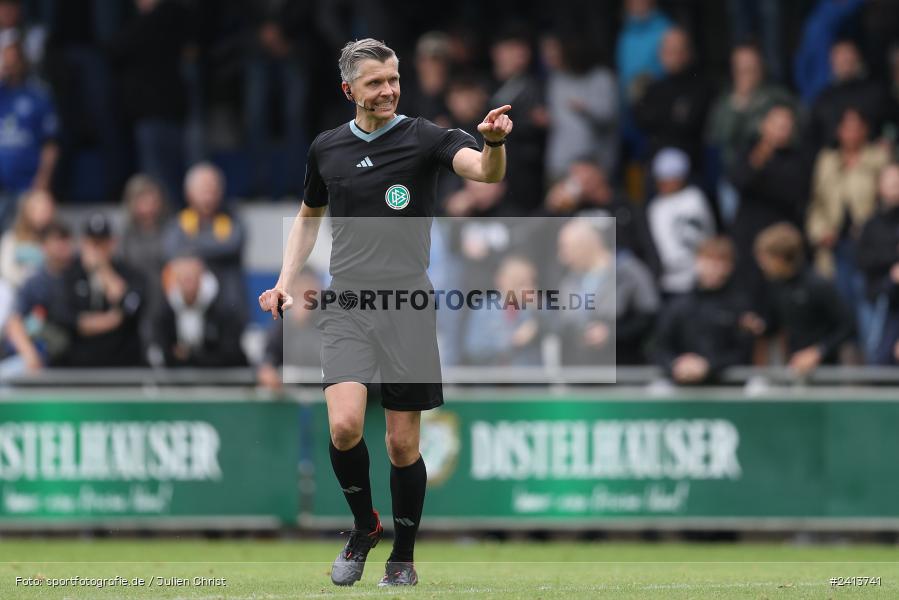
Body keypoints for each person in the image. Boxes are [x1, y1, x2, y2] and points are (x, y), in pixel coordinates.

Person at [258, 39, 513, 587]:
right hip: (347, 300)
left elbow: (484, 173)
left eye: (394, 79)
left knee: (402, 443)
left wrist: (492, 144)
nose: (389, 89)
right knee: (346, 425)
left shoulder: (424, 136)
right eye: (376, 82)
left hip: (408, 305)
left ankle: (404, 556)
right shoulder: (326, 148)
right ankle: (363, 526)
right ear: (349, 90)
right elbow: (308, 216)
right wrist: (283, 282)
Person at [805, 108, 890, 341]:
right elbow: (816, 202)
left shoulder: (878, 158)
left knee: (867, 306)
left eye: (856, 126)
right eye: (846, 127)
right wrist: (820, 231)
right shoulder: (826, 160)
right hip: (833, 246)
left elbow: (887, 197)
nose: (851, 132)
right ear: (839, 131)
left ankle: (870, 367)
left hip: (867, 245)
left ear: (865, 130)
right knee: (838, 308)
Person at [707, 43, 795, 225]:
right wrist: (740, 104)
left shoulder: (777, 97)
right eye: (741, 67)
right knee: (737, 228)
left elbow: (792, 129)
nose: (746, 72)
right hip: (735, 177)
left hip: (774, 175)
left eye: (751, 66)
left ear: (761, 67)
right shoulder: (726, 102)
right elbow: (719, 136)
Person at [752, 222, 854, 376]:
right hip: (794, 369)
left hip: (825, 373)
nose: (762, 265)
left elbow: (848, 325)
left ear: (780, 258)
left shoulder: (818, 285)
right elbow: (774, 324)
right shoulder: (775, 286)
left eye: (765, 259)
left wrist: (819, 351)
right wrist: (759, 326)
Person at [556, 219, 659, 366]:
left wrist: (612, 333)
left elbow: (648, 316)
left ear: (587, 245)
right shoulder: (569, 281)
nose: (562, 257)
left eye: (566, 248)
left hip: (626, 368)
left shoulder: (628, 271)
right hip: (584, 372)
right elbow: (565, 324)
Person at [654, 236, 754, 384]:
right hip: (682, 390)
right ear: (697, 261)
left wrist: (709, 366)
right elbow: (658, 347)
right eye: (708, 260)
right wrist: (676, 364)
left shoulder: (740, 305)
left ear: (730, 266)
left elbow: (744, 352)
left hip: (727, 391)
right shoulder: (678, 305)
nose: (714, 268)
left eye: (720, 262)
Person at [543, 159, 659, 276]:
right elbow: (539, 236)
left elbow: (649, 250)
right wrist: (551, 207)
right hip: (588, 284)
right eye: (574, 176)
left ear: (600, 174)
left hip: (624, 280)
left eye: (584, 173)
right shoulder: (575, 212)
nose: (579, 180)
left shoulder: (626, 206)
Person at [163, 162, 247, 320]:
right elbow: (171, 251)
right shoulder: (179, 221)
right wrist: (212, 245)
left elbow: (232, 245)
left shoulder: (232, 218)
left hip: (229, 307)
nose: (209, 193)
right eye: (203, 189)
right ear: (189, 192)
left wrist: (190, 246)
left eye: (213, 188)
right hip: (191, 307)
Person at [63, 213, 145, 367]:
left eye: (103, 243)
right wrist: (112, 320)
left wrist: (104, 270)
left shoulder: (128, 273)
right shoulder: (70, 274)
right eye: (93, 243)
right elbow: (67, 319)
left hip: (122, 362)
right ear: (83, 244)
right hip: (79, 365)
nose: (98, 250)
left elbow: (131, 308)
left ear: (112, 243)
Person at [633, 28, 712, 170]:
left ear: (688, 53)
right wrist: (671, 115)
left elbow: (688, 124)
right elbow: (641, 120)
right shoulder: (653, 88)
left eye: (677, 50)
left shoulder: (702, 87)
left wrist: (660, 117)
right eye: (667, 50)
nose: (672, 56)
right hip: (655, 166)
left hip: (690, 167)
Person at [541, 33, 618, 180]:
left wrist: (586, 110)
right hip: (559, 165)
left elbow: (608, 119)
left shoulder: (601, 78)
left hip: (594, 169)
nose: (549, 56)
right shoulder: (556, 80)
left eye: (555, 51)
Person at [0, 37, 58, 229]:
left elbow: (50, 144)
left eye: (13, 58)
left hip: (28, 187)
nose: (9, 64)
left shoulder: (38, 95)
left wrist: (42, 181)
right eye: (4, 58)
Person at [151, 255, 246, 368]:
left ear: (201, 278)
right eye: (184, 278)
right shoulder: (165, 312)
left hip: (217, 377)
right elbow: (162, 348)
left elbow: (231, 352)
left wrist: (192, 356)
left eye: (191, 278)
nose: (188, 284)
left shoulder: (221, 309)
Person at [2, 219, 73, 371]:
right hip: (40, 356)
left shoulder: (79, 276)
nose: (61, 246)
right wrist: (29, 354)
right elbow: (13, 323)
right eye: (55, 240)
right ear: (43, 246)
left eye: (64, 239)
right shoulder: (35, 283)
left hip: (75, 357)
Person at [645, 147, 715, 296]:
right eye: (661, 178)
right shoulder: (655, 206)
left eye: (669, 177)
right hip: (667, 280)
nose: (664, 182)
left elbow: (704, 235)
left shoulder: (694, 198)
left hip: (697, 276)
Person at [463, 255, 542, 366]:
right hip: (493, 377)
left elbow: (553, 327)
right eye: (518, 281)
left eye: (528, 282)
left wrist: (537, 309)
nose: (524, 287)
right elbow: (474, 348)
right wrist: (512, 342)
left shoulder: (534, 308)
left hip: (526, 378)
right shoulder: (484, 308)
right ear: (501, 280)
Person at [856, 164, 899, 364]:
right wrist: (892, 267)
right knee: (877, 355)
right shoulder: (872, 224)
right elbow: (863, 259)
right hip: (878, 298)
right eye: (890, 183)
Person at [257, 268, 323, 391]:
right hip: (291, 393)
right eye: (299, 290)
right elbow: (269, 355)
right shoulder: (283, 319)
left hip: (325, 391)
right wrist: (267, 370)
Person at [0, 188, 55, 288]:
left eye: (46, 210)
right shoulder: (11, 238)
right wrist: (28, 284)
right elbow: (6, 270)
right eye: (38, 209)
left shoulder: (58, 238)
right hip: (19, 290)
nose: (43, 214)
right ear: (27, 210)